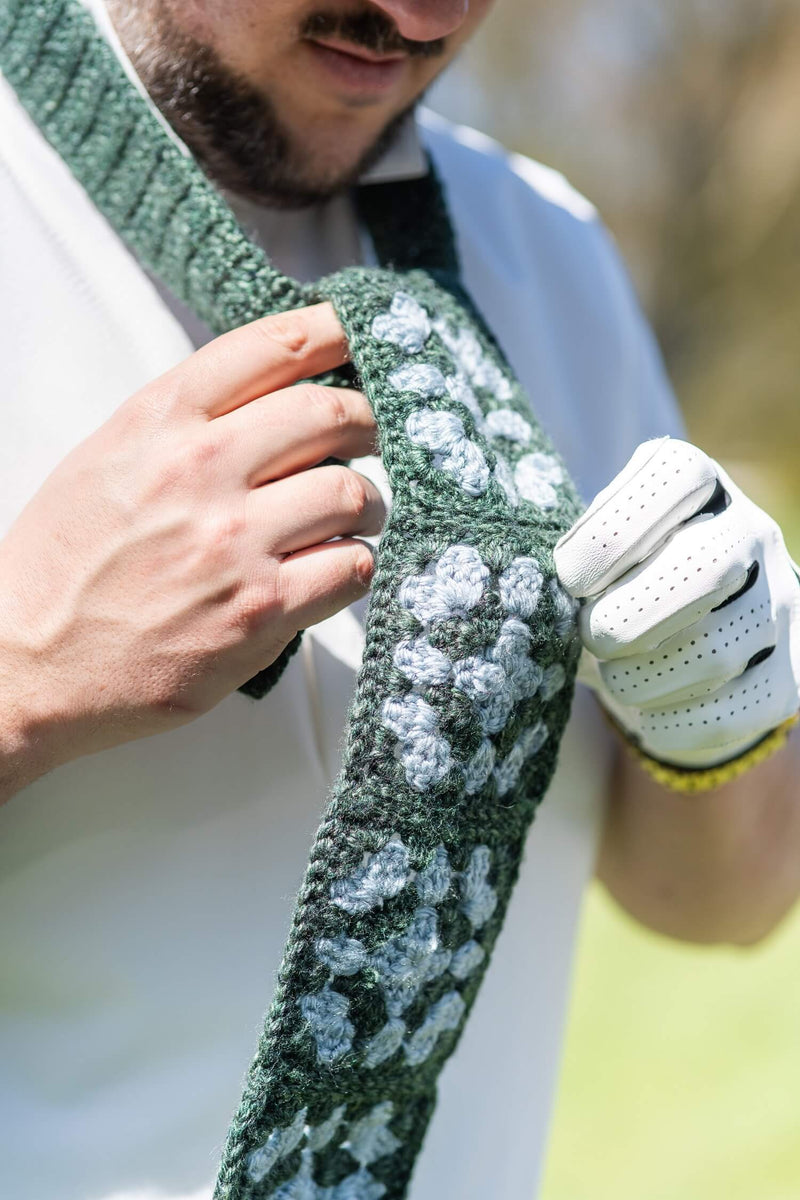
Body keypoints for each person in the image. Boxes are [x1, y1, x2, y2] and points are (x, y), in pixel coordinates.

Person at [1, 1, 798, 1198]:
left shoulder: (551, 248)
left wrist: (719, 717)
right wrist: (24, 666)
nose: (421, 16)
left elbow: (717, 904)